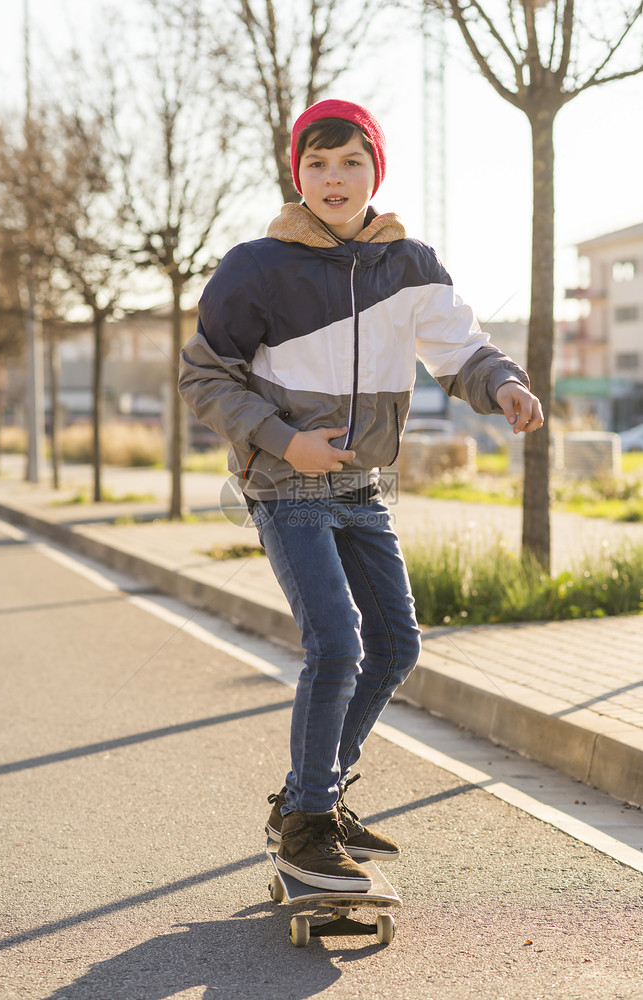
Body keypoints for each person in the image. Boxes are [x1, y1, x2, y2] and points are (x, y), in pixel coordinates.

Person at [178, 99, 543, 893]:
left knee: (396, 646)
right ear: (295, 174)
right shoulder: (256, 266)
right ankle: (308, 825)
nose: (334, 177)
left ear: (376, 169)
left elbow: (461, 349)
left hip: (365, 488)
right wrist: (282, 438)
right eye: (317, 164)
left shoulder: (407, 263)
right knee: (336, 644)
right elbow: (203, 376)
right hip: (286, 486)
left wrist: (504, 384)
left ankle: (313, 799)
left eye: (350, 161)